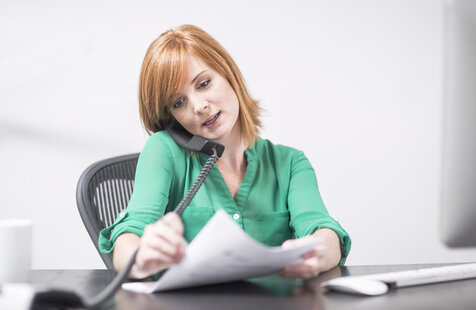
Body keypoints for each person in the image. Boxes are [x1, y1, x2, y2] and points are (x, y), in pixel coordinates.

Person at [99, 24, 351, 280]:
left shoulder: (290, 163)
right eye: (178, 103)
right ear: (171, 118)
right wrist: (140, 256)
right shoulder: (163, 150)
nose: (198, 106)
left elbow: (323, 230)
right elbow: (128, 236)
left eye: (204, 83)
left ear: (228, 73)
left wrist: (318, 252)